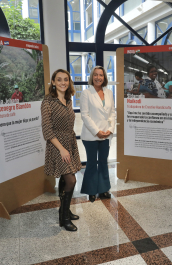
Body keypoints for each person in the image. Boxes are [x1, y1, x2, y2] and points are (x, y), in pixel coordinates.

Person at [41, 69, 81, 232]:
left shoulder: (68, 99)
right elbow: (47, 130)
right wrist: (63, 149)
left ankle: (66, 210)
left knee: (66, 179)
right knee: (71, 180)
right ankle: (63, 218)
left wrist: (69, 146)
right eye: (59, 80)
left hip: (69, 142)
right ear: (53, 82)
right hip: (57, 145)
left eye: (66, 79)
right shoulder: (48, 102)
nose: (63, 82)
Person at [80, 66, 116, 202]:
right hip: (91, 135)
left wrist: (110, 130)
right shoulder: (86, 93)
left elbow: (112, 113)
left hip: (106, 134)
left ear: (104, 77)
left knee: (102, 162)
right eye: (95, 75)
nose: (98, 77)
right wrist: (97, 132)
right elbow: (85, 115)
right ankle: (91, 190)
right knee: (91, 163)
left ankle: (103, 189)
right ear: (92, 77)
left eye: (101, 75)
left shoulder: (109, 93)